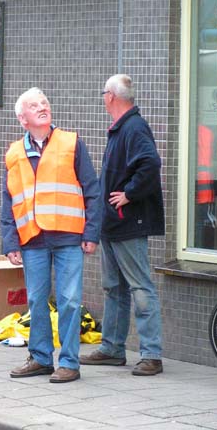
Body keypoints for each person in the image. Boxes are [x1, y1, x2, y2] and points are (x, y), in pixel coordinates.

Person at [1, 87, 101, 383]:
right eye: (34, 105)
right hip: (32, 238)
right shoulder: (15, 153)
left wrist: (91, 232)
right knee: (36, 300)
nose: (42, 107)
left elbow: (91, 190)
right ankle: (41, 358)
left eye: (44, 103)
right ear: (23, 118)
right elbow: (9, 199)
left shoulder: (71, 143)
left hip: (69, 235)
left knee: (70, 300)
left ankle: (69, 362)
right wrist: (10, 242)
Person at [79, 74, 165, 376]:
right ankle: (112, 348)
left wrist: (129, 194)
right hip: (112, 224)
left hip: (128, 223)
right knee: (114, 287)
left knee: (140, 286)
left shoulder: (134, 127)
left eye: (103, 92)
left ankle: (151, 354)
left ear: (111, 96)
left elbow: (151, 164)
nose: (102, 97)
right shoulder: (121, 127)